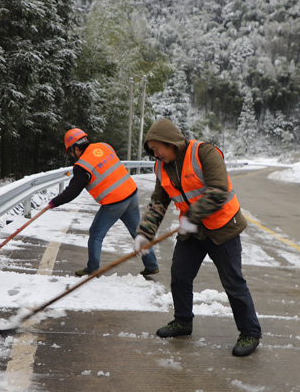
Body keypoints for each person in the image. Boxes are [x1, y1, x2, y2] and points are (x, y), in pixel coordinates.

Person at [133, 118, 261, 357]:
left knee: (233, 282)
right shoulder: (161, 167)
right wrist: (144, 233)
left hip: (223, 228)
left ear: (170, 142)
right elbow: (159, 202)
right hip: (192, 230)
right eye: (151, 151)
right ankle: (183, 321)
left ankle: (250, 332)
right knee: (180, 276)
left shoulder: (204, 153)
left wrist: (192, 217)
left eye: (157, 148)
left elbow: (218, 190)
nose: (155, 154)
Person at [49, 127, 159, 278]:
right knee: (138, 233)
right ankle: (152, 265)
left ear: (75, 148)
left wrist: (54, 202)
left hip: (115, 202)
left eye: (70, 152)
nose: (72, 155)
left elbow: (72, 192)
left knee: (96, 233)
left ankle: (92, 269)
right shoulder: (104, 146)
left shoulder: (82, 166)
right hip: (131, 194)